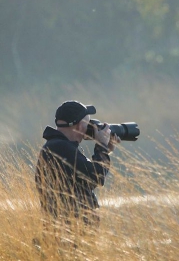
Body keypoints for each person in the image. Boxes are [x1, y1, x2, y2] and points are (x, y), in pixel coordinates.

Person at [35, 100, 120, 234]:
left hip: (66, 231)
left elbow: (85, 183)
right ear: (81, 126)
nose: (90, 128)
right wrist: (101, 147)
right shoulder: (61, 147)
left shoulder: (57, 146)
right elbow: (96, 177)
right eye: (88, 124)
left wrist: (104, 150)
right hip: (68, 233)